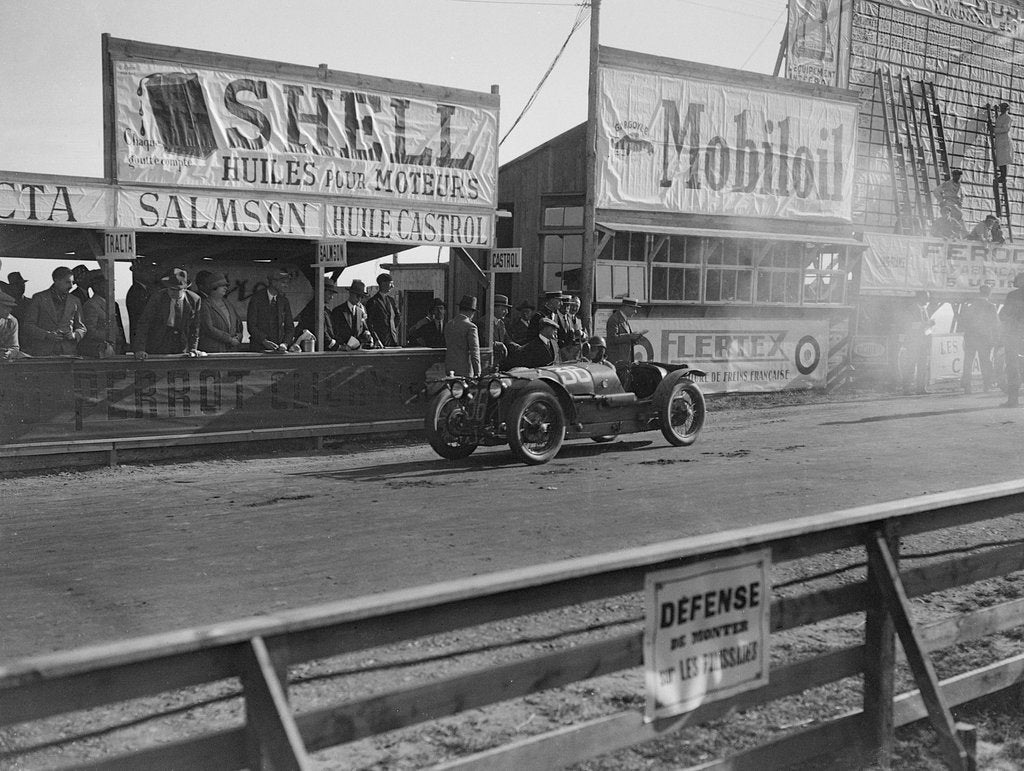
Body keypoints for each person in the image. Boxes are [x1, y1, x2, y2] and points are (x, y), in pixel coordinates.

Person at [132, 267, 202, 359]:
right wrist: (140, 349)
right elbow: (144, 323)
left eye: (178, 290)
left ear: (184, 289)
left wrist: (193, 348)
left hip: (182, 342)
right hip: (159, 340)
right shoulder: (157, 298)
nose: (174, 293)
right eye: (171, 289)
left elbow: (195, 327)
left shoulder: (194, 300)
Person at [21, 266, 86, 356]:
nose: (71, 286)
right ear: (56, 281)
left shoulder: (75, 301)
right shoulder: (39, 298)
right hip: (43, 352)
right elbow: (28, 326)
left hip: (68, 352)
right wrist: (47, 335)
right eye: (67, 282)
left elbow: (82, 328)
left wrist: (75, 335)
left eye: (72, 282)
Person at [78, 268, 127, 358]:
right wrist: (111, 337)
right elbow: (90, 331)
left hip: (115, 349)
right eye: (107, 284)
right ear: (96, 287)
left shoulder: (112, 304)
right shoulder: (91, 305)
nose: (112, 287)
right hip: (101, 352)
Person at [959, 284, 998, 393]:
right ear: (989, 293)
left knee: (968, 362)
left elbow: (964, 321)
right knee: (985, 362)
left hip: (970, 337)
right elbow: (995, 324)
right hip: (984, 339)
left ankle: (967, 386)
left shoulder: (971, 306)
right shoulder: (991, 306)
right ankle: (986, 385)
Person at [247, 268, 295, 352]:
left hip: (279, 350)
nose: (286, 286)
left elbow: (290, 327)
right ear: (273, 282)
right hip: (258, 350)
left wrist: (285, 344)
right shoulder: (256, 299)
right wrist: (264, 341)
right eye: (283, 283)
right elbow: (251, 326)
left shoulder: (284, 301)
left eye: (287, 283)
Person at [198, 272, 243, 352]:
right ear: (213, 287)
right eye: (222, 286)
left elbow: (238, 324)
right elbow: (208, 328)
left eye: (226, 286)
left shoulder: (228, 304)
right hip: (214, 350)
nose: (226, 288)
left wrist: (238, 336)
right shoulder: (204, 304)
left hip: (231, 350)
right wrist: (229, 339)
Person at [293, 278, 341, 351]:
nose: (331, 297)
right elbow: (322, 333)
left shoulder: (325, 310)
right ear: (321, 292)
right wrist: (338, 347)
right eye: (330, 293)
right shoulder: (313, 309)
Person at [902, 290, 934, 394]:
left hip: (923, 342)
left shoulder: (925, 310)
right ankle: (906, 388)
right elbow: (910, 325)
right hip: (913, 342)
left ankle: (921, 388)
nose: (927, 300)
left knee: (922, 366)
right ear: (920, 298)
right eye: (926, 297)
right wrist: (926, 324)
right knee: (911, 365)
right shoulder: (911, 309)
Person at [999, 273, 1024, 407]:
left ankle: (1013, 400)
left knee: (1013, 367)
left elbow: (1003, 315)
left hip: (1014, 336)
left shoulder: (1013, 296)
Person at [332, 279, 377, 350]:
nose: (359, 299)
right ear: (350, 293)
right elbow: (335, 332)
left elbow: (363, 329)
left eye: (361, 297)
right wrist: (343, 346)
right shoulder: (338, 311)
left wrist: (367, 334)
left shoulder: (361, 312)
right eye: (357, 296)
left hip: (357, 350)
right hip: (342, 351)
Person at [444, 295, 481, 376]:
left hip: (449, 367)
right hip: (465, 370)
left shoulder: (448, 324)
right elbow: (474, 352)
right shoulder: (471, 327)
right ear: (471, 312)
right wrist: (477, 372)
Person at [606, 297, 647, 367]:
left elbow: (624, 338)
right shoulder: (614, 319)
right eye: (633, 308)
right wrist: (630, 336)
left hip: (624, 360)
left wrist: (635, 338)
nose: (635, 311)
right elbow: (612, 338)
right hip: (617, 361)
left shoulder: (624, 319)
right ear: (625, 307)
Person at [365, 273, 401, 347]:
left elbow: (398, 317)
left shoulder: (391, 300)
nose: (392, 286)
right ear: (383, 284)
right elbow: (370, 323)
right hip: (380, 342)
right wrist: (376, 339)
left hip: (393, 340)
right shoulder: (373, 302)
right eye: (390, 283)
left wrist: (391, 328)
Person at [126, 260, 159, 340]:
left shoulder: (145, 290)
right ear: (140, 273)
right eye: (149, 271)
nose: (152, 274)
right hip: (142, 337)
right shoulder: (136, 292)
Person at [933, 170, 966, 238]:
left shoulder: (960, 186)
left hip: (956, 205)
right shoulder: (947, 184)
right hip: (949, 203)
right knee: (954, 217)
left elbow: (963, 195)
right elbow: (936, 191)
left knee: (958, 218)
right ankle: (946, 233)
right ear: (953, 176)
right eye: (956, 175)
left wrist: (960, 202)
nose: (958, 177)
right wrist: (941, 201)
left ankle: (958, 234)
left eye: (959, 176)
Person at [0, 291, 25, 362]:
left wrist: (9, 353)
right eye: (6, 306)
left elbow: (14, 347)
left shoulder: (11, 321)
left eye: (10, 307)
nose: (9, 310)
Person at [561, 295, 588, 360]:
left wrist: (581, 333)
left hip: (577, 353)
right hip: (566, 351)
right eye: (573, 306)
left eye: (577, 306)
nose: (574, 308)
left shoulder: (579, 319)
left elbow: (586, 336)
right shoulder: (563, 318)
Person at [994, 102, 1014, 184]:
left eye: (1003, 108)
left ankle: (1003, 176)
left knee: (1003, 160)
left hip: (1005, 141)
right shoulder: (1000, 117)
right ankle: (1002, 175)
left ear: (1006, 109)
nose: (1001, 109)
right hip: (999, 141)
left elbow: (1005, 129)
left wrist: (995, 130)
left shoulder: (1008, 118)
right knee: (1000, 159)